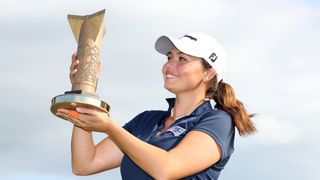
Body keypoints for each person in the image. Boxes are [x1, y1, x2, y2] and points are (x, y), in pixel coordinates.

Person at [56, 32, 256, 180]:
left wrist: (109, 126)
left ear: (208, 73)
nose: (169, 65)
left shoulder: (217, 121)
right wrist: (83, 91)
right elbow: (85, 164)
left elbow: (166, 168)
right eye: (169, 57)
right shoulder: (147, 120)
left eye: (182, 59)